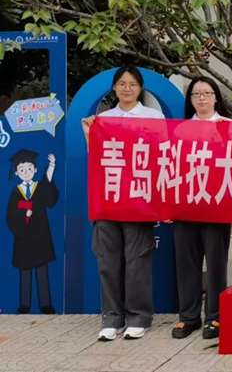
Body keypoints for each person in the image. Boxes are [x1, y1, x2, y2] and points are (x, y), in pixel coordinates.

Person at [82, 66, 165, 341]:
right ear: (114, 88)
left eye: (132, 84)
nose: (127, 88)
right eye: (121, 83)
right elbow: (97, 159)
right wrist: (89, 134)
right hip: (108, 199)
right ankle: (112, 317)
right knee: (107, 261)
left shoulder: (153, 117)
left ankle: (139, 316)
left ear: (140, 88)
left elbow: (162, 155)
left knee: (136, 260)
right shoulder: (103, 119)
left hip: (139, 199)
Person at [172, 77, 232, 340]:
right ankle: (188, 317)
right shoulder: (180, 129)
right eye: (196, 94)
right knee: (186, 262)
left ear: (216, 97)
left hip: (217, 205)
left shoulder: (229, 126)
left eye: (207, 93)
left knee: (216, 262)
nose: (202, 98)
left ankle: (215, 316)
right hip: (186, 205)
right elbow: (170, 167)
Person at [6, 149, 58, 315]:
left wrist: (51, 166)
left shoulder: (39, 187)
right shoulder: (16, 192)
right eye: (22, 170)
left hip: (40, 234)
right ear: (16, 173)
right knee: (25, 270)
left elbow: (49, 196)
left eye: (29, 168)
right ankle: (24, 305)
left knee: (42, 269)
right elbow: (10, 214)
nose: (26, 172)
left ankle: (45, 304)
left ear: (35, 170)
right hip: (23, 236)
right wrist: (24, 214)